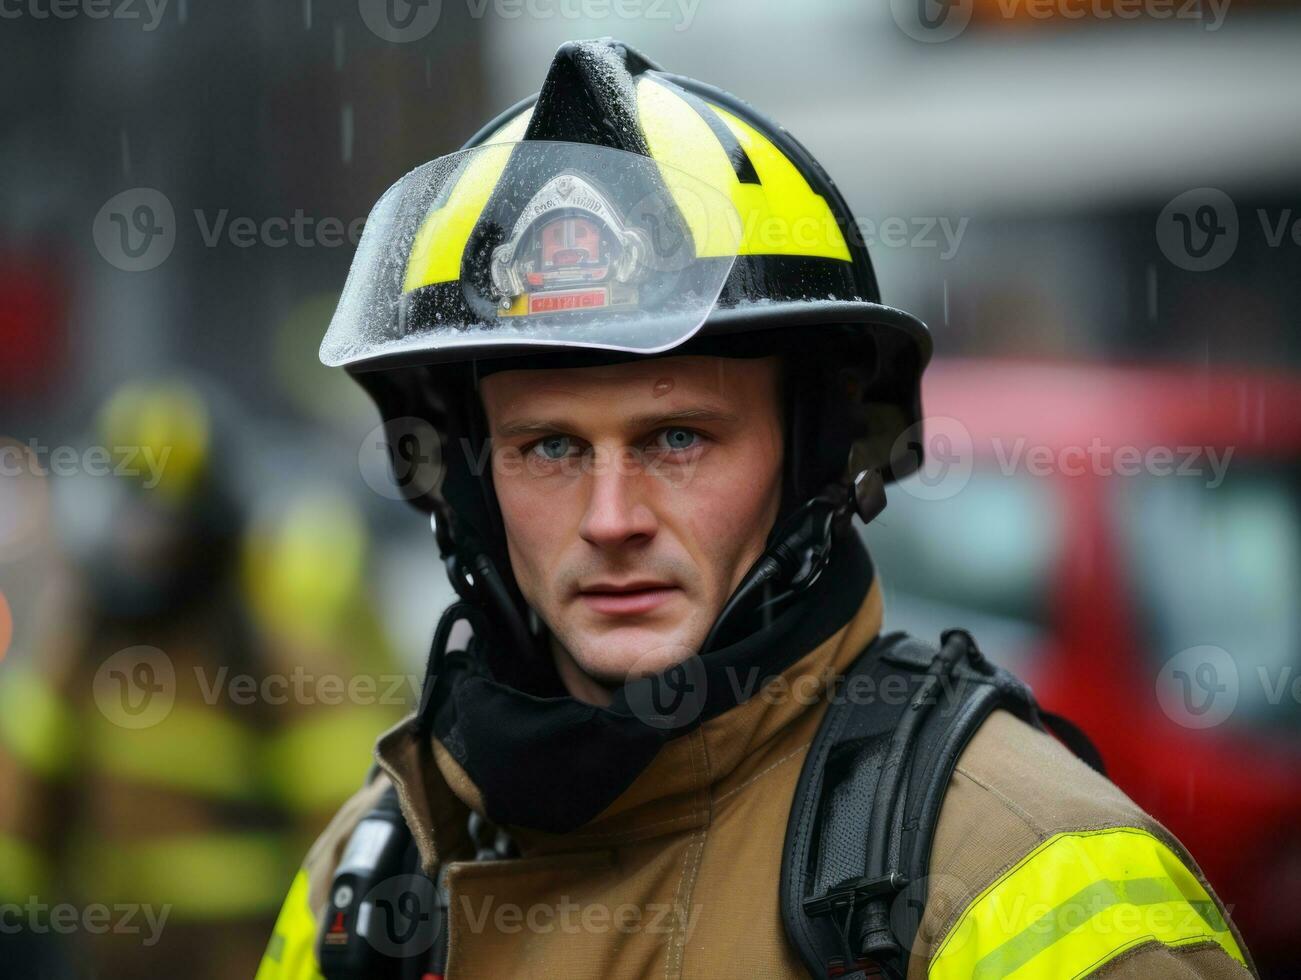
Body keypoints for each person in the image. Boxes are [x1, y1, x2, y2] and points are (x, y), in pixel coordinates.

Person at [255, 38, 1257, 979]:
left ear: (815, 456)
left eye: (676, 439)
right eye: (549, 446)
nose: (612, 517)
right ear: (471, 483)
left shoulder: (1025, 876)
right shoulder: (365, 882)